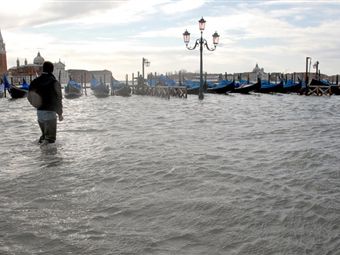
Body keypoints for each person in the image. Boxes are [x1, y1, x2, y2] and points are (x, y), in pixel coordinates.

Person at [28, 61, 63, 143]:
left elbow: (29, 96)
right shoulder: (54, 82)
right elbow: (58, 99)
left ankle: (41, 154)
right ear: (52, 70)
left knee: (44, 137)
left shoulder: (35, 81)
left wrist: (37, 106)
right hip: (50, 113)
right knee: (50, 140)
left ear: (43, 69)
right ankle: (48, 155)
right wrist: (60, 113)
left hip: (40, 113)